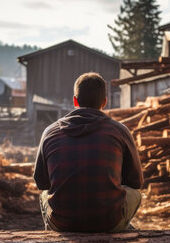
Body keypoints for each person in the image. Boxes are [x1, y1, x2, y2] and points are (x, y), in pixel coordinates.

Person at [33, 72, 144, 232]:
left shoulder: (50, 132)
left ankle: (54, 238)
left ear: (75, 101)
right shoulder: (119, 131)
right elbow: (136, 182)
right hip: (108, 222)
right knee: (135, 194)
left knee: (44, 194)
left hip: (63, 223)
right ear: (105, 102)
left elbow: (41, 183)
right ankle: (122, 227)